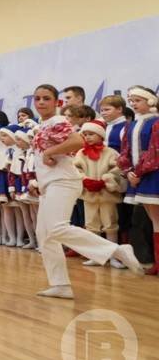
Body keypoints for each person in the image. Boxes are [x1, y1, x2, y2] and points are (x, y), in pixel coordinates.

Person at [31, 84, 142, 299]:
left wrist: (49, 152)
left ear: (56, 102)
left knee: (56, 228)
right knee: (45, 235)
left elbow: (77, 140)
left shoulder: (58, 120)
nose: (41, 102)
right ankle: (60, 284)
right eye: (37, 98)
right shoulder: (43, 124)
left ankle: (117, 250)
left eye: (46, 98)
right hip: (49, 183)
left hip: (63, 181)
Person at [118, 85, 159, 274]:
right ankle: (156, 262)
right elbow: (125, 151)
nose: (133, 104)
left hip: (152, 175)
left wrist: (139, 173)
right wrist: (128, 171)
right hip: (138, 176)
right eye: (131, 101)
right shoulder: (131, 125)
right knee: (153, 220)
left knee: (156, 219)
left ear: (150, 101)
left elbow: (154, 152)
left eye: (138, 100)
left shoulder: (156, 123)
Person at [74, 119, 124, 268]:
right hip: (89, 195)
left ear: (100, 135)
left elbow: (118, 169)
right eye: (85, 134)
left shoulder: (110, 152)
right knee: (91, 225)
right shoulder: (81, 153)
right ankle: (96, 256)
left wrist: (105, 180)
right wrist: (84, 180)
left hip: (107, 195)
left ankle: (114, 256)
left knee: (110, 224)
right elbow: (75, 169)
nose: (87, 137)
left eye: (91, 134)